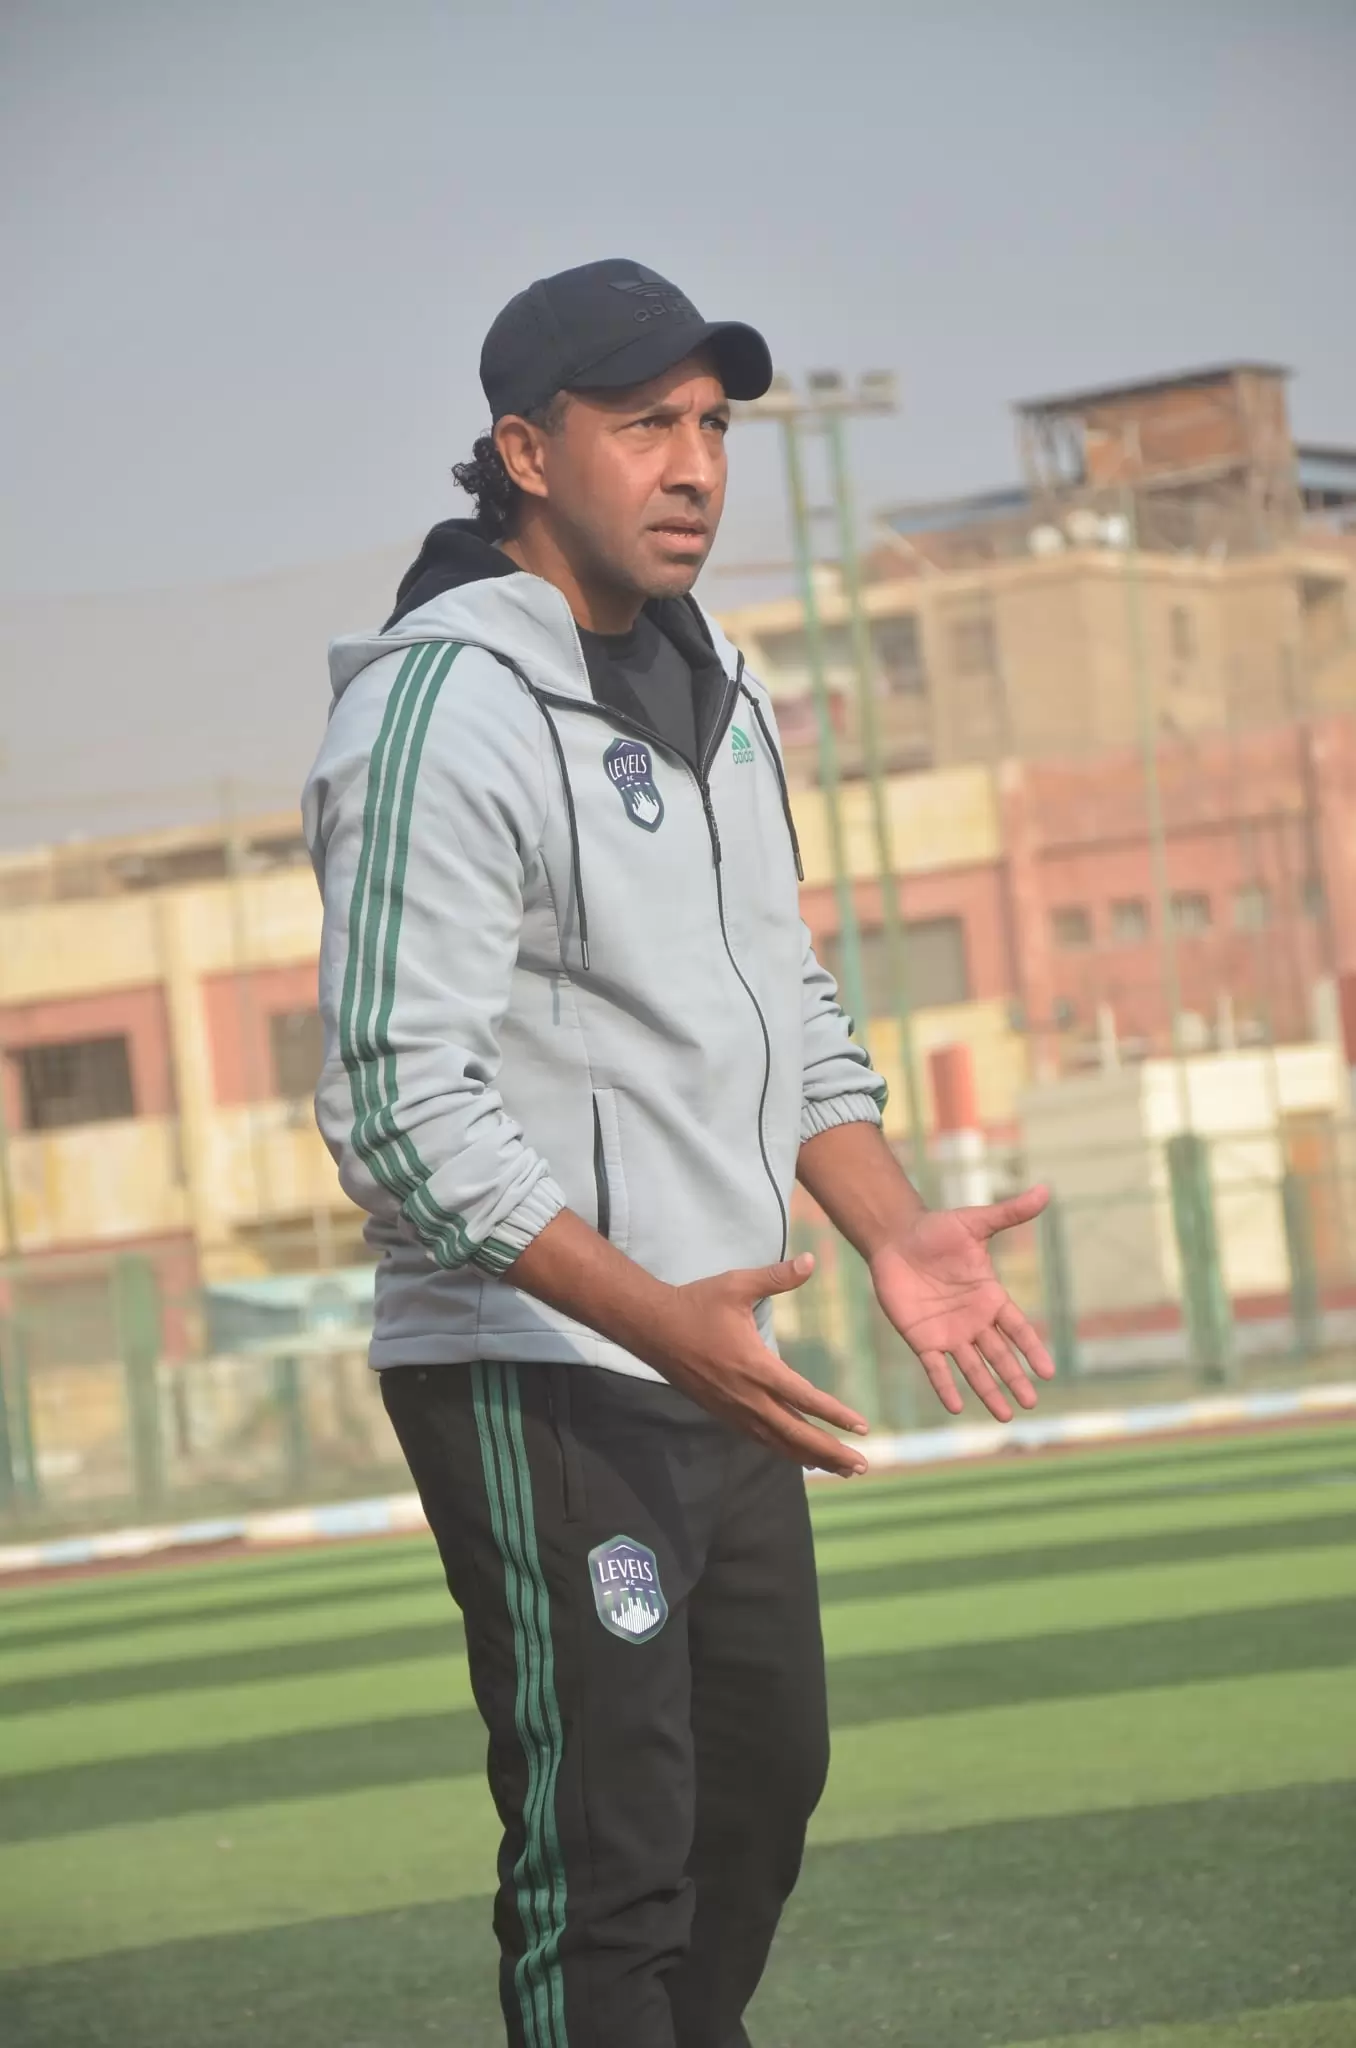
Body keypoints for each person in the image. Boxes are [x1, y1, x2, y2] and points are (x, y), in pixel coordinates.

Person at [303, 257, 1053, 2048]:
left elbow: (781, 998)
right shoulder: (440, 705)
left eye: (714, 424)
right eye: (645, 424)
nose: (697, 464)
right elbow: (397, 1107)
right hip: (544, 1365)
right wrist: (655, 1320)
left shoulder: (725, 689)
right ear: (525, 452)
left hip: (716, 1363)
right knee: (614, 1858)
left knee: (757, 1798)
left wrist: (887, 1227)